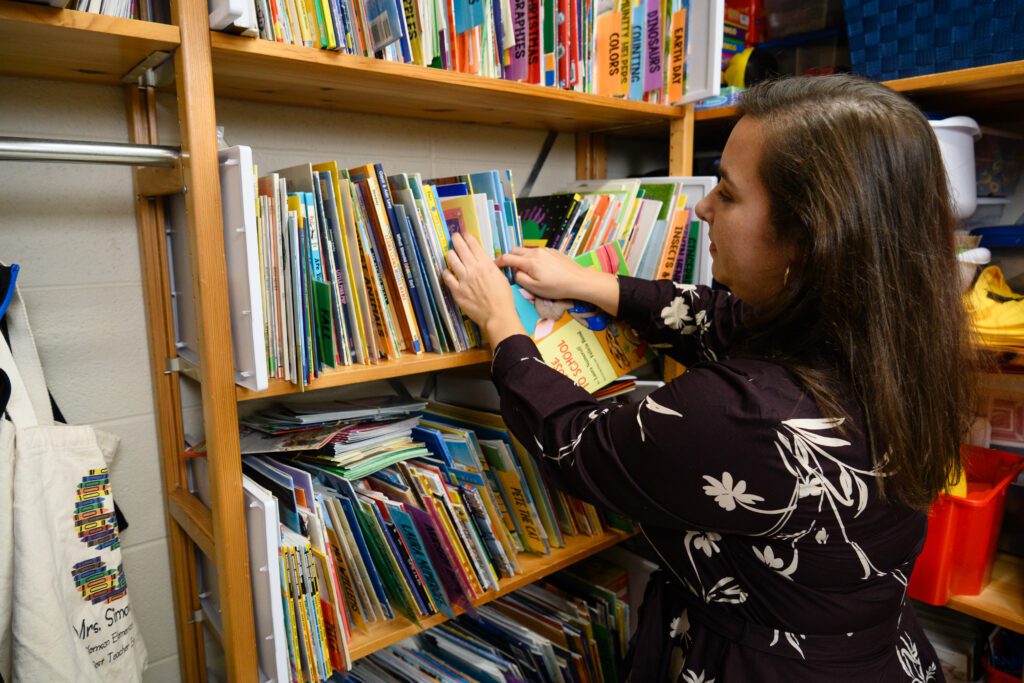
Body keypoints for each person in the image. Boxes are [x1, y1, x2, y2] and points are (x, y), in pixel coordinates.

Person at [441, 74, 975, 682]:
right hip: (879, 654)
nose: (702, 207)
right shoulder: (893, 337)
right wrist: (593, 284)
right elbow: (726, 321)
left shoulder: (749, 416)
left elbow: (580, 442)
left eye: (727, 192)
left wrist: (502, 324)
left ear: (809, 233)